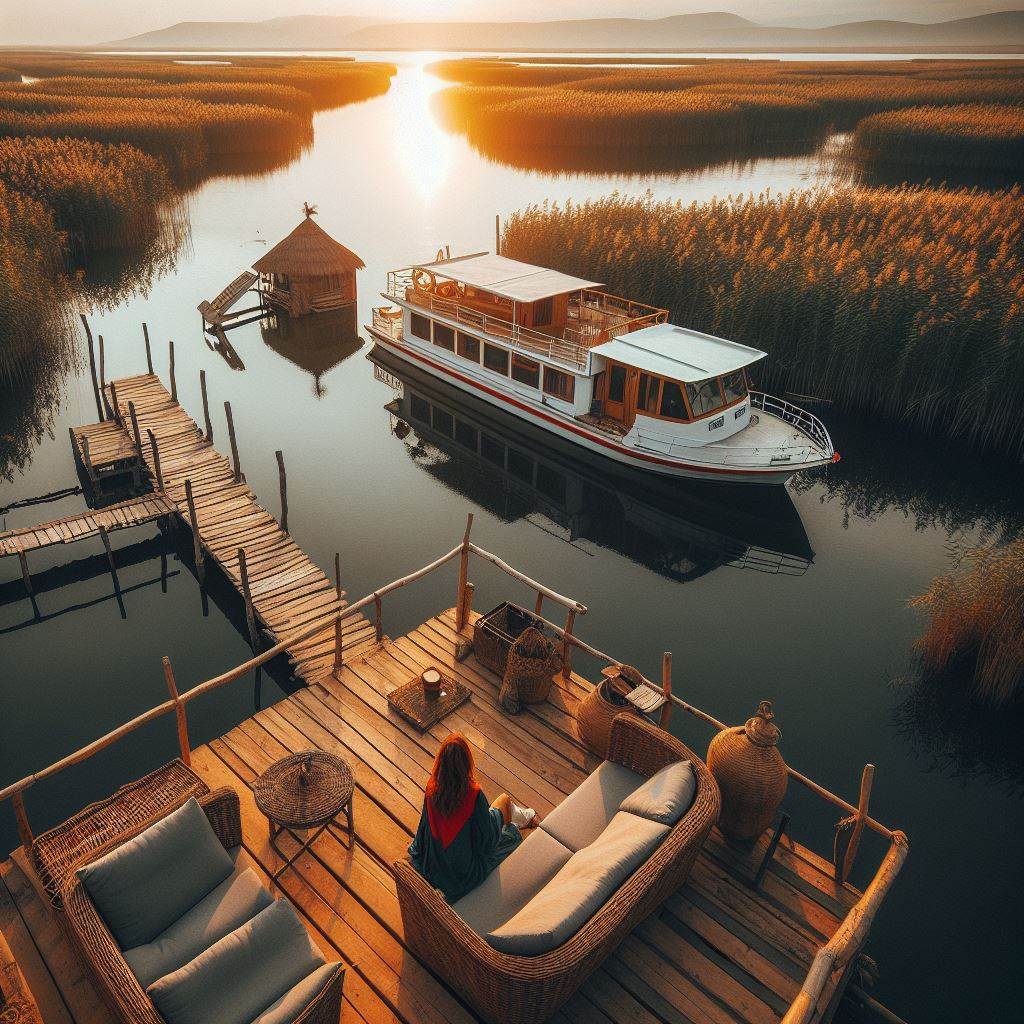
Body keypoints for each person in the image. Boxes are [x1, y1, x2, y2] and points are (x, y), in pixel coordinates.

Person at [409, 733, 538, 902]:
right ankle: (528, 816)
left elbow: (423, 830)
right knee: (506, 809)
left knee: (498, 812)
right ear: (466, 763)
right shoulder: (473, 795)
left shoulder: (432, 790)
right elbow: (488, 841)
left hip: (434, 866)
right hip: (464, 877)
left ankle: (526, 816)